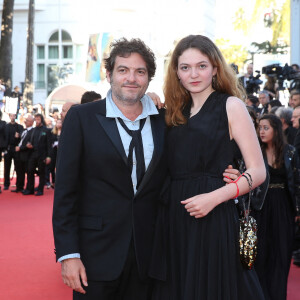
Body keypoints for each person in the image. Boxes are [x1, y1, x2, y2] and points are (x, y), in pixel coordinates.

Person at [151, 35, 266, 300]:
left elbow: (258, 171)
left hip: (212, 216)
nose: (193, 74)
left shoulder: (231, 106)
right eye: (185, 67)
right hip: (173, 218)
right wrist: (149, 99)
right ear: (176, 72)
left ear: (215, 68)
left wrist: (214, 198)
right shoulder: (172, 111)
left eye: (202, 66)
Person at [52, 38, 168, 300]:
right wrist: (68, 254)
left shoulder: (164, 120)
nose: (132, 78)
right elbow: (65, 193)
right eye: (123, 70)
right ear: (109, 75)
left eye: (140, 72)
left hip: (149, 258)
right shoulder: (81, 118)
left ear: (149, 78)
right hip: (95, 255)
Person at [254, 114, 300, 300]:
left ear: (276, 129)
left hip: (283, 206)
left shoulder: (289, 152)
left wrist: (297, 209)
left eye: (266, 127)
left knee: (281, 254)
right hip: (261, 206)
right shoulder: (254, 151)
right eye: (260, 127)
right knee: (261, 253)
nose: (261, 131)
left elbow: (297, 181)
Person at [22, 113, 51, 196]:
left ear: (41, 120)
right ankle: (30, 189)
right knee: (30, 170)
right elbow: (30, 140)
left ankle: (40, 189)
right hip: (33, 153)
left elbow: (49, 144)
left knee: (42, 172)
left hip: (42, 154)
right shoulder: (33, 130)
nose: (37, 121)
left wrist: (49, 156)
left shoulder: (46, 130)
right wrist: (28, 145)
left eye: (38, 119)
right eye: (36, 119)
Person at [14, 114, 34, 192]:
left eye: (27, 120)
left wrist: (21, 148)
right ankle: (19, 187)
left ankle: (29, 188)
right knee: (19, 171)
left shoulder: (33, 131)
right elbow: (21, 141)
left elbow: (30, 144)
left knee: (28, 172)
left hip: (27, 154)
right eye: (25, 120)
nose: (25, 122)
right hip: (19, 154)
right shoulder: (23, 130)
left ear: (32, 122)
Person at [3, 113, 23, 190]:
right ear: (9, 117)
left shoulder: (19, 127)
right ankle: (6, 184)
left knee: (18, 167)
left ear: (16, 116)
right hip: (8, 149)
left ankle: (18, 185)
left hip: (16, 149)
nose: (12, 117)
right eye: (11, 115)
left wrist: (19, 135)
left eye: (14, 115)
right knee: (7, 167)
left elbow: (24, 135)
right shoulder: (5, 126)